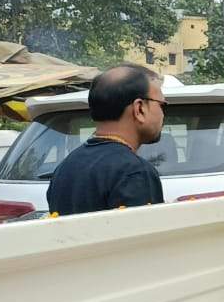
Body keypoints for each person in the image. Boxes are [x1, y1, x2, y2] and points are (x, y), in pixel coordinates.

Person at [47, 64, 166, 216]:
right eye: (162, 105)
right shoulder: (134, 172)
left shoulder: (66, 167)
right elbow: (144, 237)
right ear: (139, 109)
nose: (163, 114)